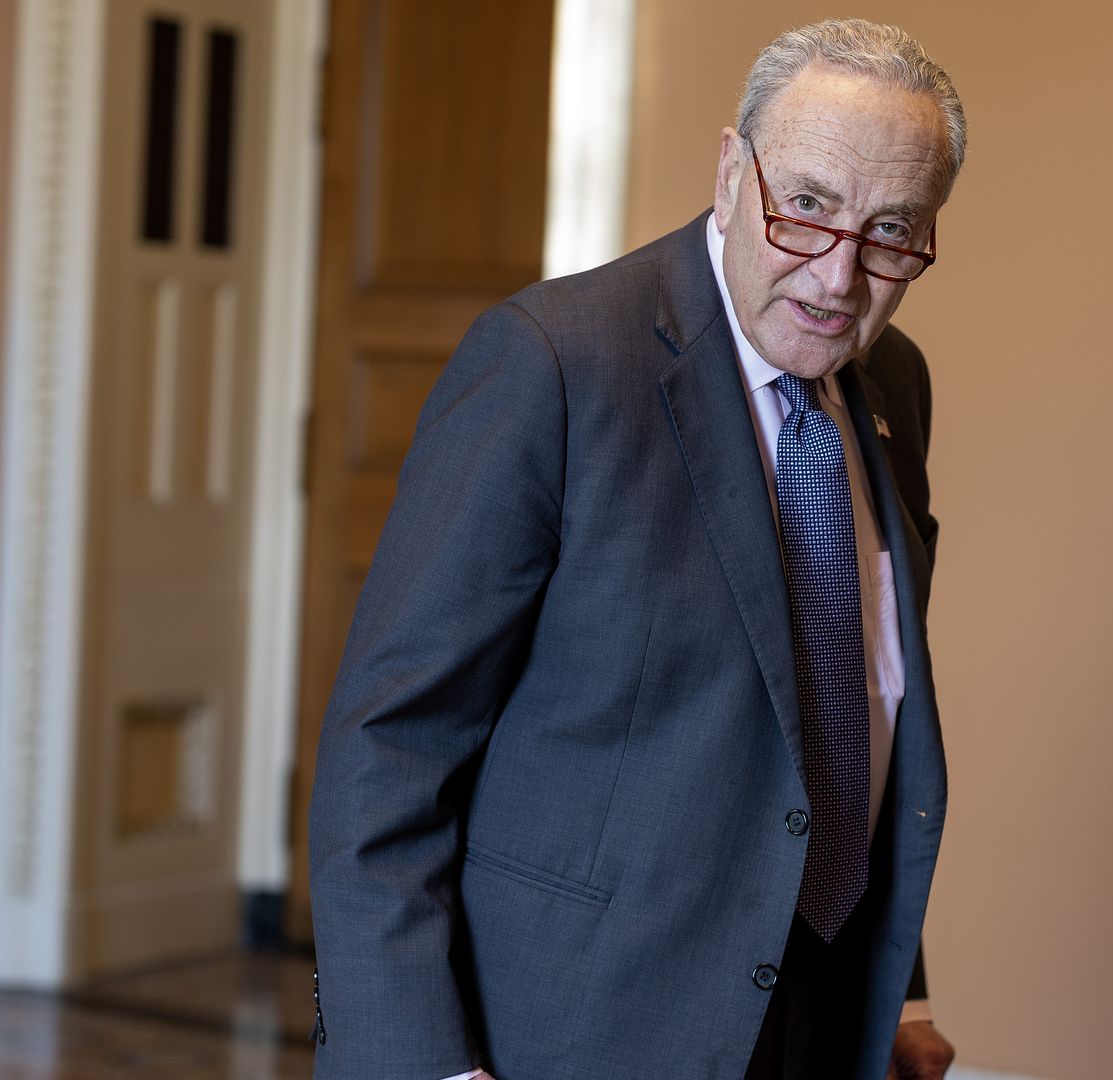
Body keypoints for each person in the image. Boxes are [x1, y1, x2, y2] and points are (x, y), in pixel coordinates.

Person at [309, 19, 963, 1080]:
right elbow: (388, 748)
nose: (839, 278)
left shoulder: (895, 389)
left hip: (818, 1017)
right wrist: (417, 1064)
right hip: (568, 1029)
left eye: (891, 233)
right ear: (729, 172)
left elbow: (851, 709)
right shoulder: (552, 366)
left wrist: (900, 987)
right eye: (805, 208)